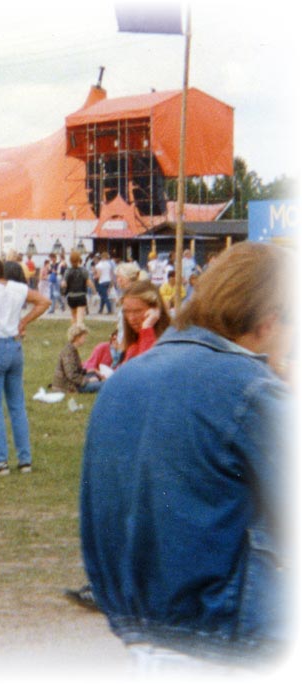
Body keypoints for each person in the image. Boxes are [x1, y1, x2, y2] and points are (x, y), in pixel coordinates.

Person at [80, 241, 293, 666]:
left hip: (142, 626)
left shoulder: (126, 380)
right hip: (228, 634)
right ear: (269, 323)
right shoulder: (249, 389)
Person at [0, 253, 49, 474]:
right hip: (15, 347)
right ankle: (25, 460)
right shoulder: (17, 287)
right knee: (17, 405)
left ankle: (0, 460)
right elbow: (44, 301)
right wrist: (24, 321)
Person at [118, 280, 170, 365]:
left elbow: (146, 367)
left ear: (154, 310)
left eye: (137, 311)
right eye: (127, 311)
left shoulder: (169, 342)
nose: (131, 318)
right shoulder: (133, 346)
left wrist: (147, 328)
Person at [51, 323, 104, 394]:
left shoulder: (72, 349)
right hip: (68, 386)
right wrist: (88, 380)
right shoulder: (68, 352)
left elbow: (76, 370)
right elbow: (71, 375)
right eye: (84, 337)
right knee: (103, 385)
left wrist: (91, 371)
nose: (85, 339)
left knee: (94, 374)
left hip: (74, 381)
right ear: (77, 338)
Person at [63, 250, 94, 324]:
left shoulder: (68, 271)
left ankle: (74, 332)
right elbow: (88, 282)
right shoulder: (83, 270)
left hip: (71, 296)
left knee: (74, 317)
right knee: (80, 318)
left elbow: (64, 284)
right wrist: (94, 289)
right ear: (79, 259)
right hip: (81, 295)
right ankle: (80, 332)